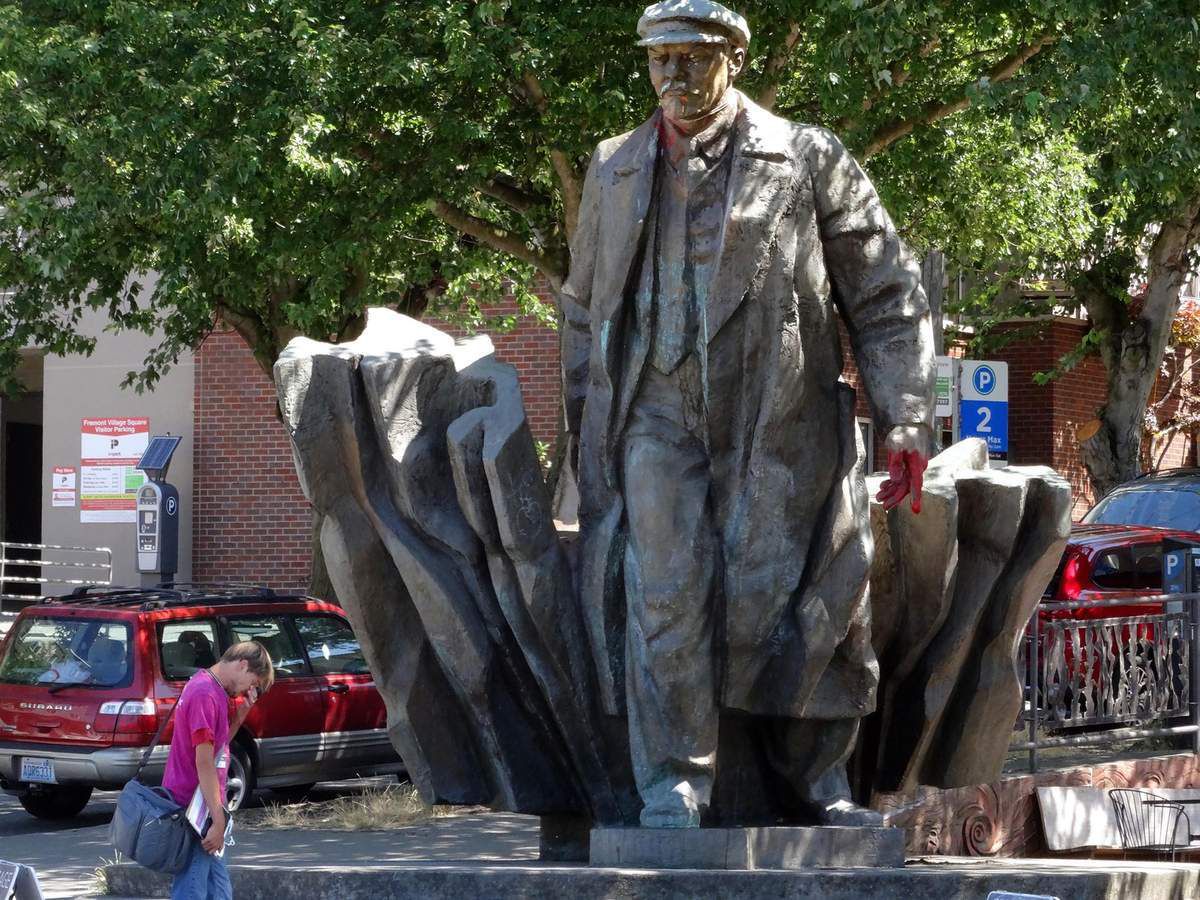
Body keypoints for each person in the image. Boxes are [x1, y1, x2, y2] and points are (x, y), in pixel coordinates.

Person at [561, 0, 935, 827]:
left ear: (733, 58)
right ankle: (674, 781)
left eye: (693, 58)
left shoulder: (806, 157)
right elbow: (584, 311)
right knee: (665, 589)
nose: (674, 77)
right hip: (653, 414)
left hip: (779, 416)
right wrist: (584, 431)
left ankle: (816, 779)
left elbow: (884, 294)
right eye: (660, 60)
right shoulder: (613, 167)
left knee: (808, 592)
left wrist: (906, 411)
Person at [161, 641, 274, 899]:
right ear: (242, 664)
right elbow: (203, 761)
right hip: (194, 809)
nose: (249, 689)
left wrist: (242, 714)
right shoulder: (205, 693)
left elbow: (216, 747)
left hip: (206, 806)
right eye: (253, 682)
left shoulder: (213, 689)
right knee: (192, 888)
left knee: (218, 890)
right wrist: (218, 819)